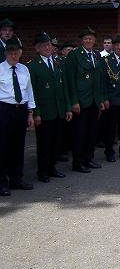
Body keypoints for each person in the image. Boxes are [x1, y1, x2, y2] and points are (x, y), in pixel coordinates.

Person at [27, 32, 72, 183]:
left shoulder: (59, 63)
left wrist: (67, 107)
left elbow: (64, 87)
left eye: (49, 45)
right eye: (43, 46)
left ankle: (52, 167)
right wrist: (36, 113)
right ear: (37, 48)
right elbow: (33, 92)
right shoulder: (32, 66)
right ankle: (43, 171)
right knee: (44, 143)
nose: (47, 48)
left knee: (56, 141)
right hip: (44, 111)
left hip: (59, 109)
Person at [64, 26, 106, 173]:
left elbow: (100, 79)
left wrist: (101, 99)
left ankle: (89, 158)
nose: (88, 41)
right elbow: (70, 80)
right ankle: (78, 162)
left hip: (94, 100)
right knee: (80, 133)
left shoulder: (96, 55)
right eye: (86, 38)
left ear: (94, 40)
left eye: (91, 38)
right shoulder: (74, 55)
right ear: (82, 40)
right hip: (81, 101)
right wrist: (74, 101)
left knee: (92, 132)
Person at [0, 38, 35, 196]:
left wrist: (30, 112)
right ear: (6, 54)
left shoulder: (24, 69)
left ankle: (16, 178)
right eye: (10, 53)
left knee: (18, 145)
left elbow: (29, 91)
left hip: (21, 109)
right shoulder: (0, 69)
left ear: (20, 53)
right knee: (3, 146)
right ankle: (2, 182)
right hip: (4, 109)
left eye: (16, 53)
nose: (13, 56)